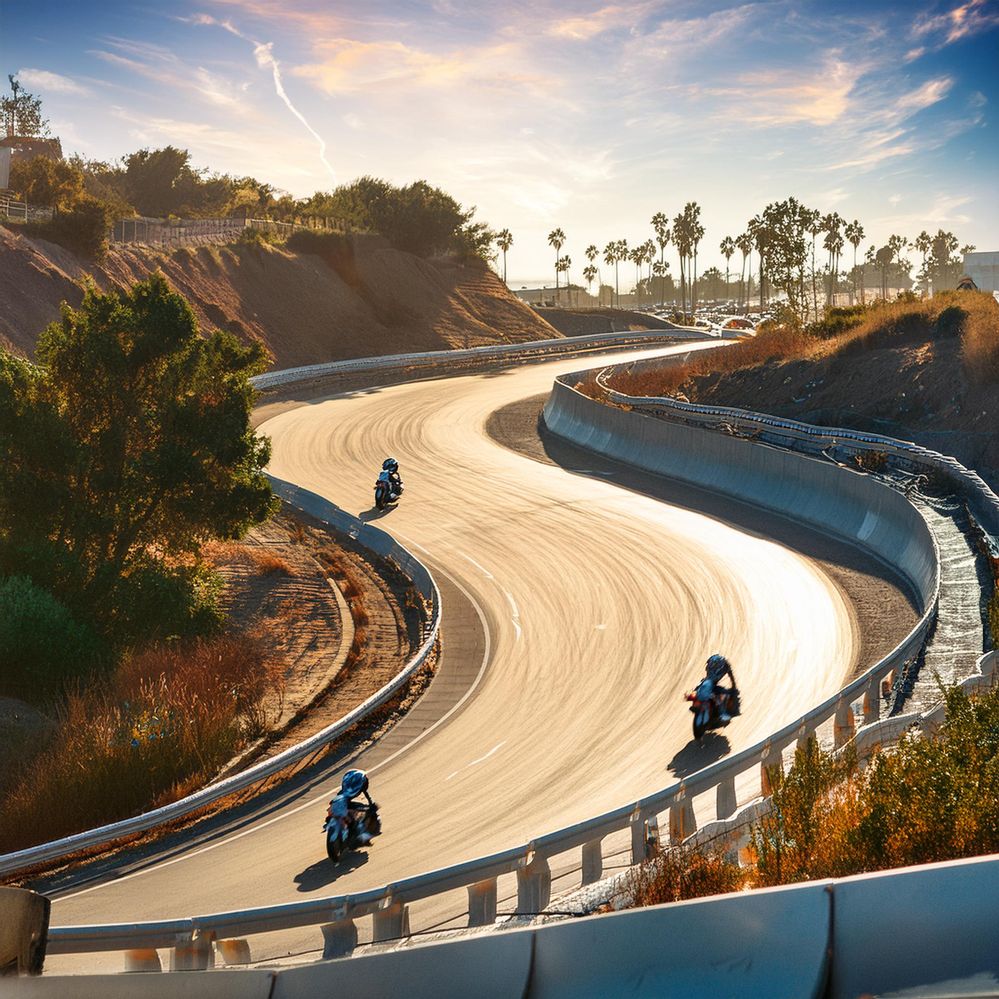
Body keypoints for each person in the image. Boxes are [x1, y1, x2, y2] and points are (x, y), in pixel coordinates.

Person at [704, 653, 738, 722]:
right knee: (722, 697)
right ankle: (722, 713)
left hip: (707, 684)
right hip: (710, 685)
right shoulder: (725, 666)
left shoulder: (711, 664)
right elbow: (731, 678)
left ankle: (722, 713)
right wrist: (733, 686)